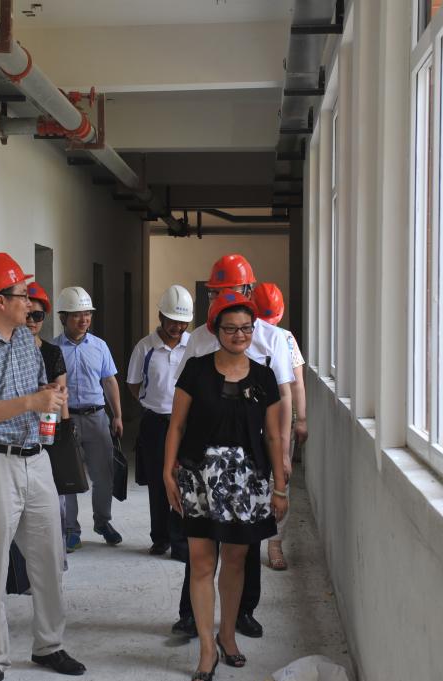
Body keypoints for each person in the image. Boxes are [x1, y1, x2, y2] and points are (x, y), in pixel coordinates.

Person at [0, 253, 85, 681]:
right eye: (23, 295)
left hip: (36, 459)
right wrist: (30, 402)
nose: (30, 302)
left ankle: (49, 646)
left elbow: (34, 394)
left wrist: (48, 397)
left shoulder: (27, 341)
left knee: (49, 559)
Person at [164, 290, 288, 681]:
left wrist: (280, 487)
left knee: (235, 561)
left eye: (246, 328)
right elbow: (177, 425)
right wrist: (168, 472)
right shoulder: (196, 370)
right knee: (202, 563)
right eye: (231, 328)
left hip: (247, 483)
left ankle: (227, 636)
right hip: (198, 478)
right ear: (215, 330)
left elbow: (274, 436)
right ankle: (206, 649)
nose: (239, 335)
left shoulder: (265, 376)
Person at [53, 286, 124, 550]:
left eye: (87, 314)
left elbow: (109, 381)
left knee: (104, 475)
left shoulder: (100, 346)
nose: (83, 320)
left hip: (96, 417)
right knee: (69, 476)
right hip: (66, 419)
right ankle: (71, 529)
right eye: (76, 315)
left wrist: (117, 416)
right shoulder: (53, 349)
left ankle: (102, 522)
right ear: (63, 317)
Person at [126, 284, 192, 561]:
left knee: (183, 480)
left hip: (187, 423)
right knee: (157, 480)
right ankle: (160, 538)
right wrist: (152, 402)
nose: (178, 327)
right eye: (172, 320)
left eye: (183, 322)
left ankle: (180, 541)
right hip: (155, 422)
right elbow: (133, 384)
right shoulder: (145, 347)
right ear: (161, 317)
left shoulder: (194, 346)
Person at [252, 282, 309, 571]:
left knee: (280, 480)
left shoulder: (286, 339)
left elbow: (296, 382)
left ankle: (275, 543)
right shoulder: (243, 334)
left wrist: (302, 419)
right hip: (250, 420)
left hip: (280, 421)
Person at [25, 282, 71, 567]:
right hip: (18, 437)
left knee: (55, 504)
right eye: (28, 314)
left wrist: (64, 434)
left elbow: (61, 396)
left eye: (38, 315)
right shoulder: (7, 351)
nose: (32, 320)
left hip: (48, 435)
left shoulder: (52, 353)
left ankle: (57, 560)